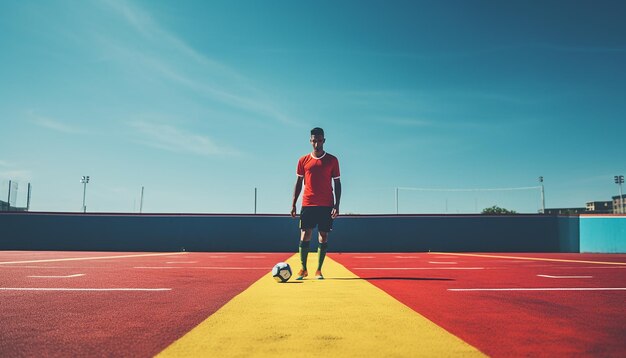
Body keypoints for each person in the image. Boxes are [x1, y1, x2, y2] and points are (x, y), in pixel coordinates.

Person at [291, 127, 341, 280]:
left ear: (323, 141)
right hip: (308, 203)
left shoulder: (332, 160)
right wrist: (293, 203)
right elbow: (299, 182)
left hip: (326, 204)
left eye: (320, 140)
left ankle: (319, 270)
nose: (317, 144)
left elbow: (338, 183)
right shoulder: (303, 160)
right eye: (314, 141)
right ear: (310, 141)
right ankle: (303, 269)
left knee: (323, 236)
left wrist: (337, 205)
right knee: (305, 234)